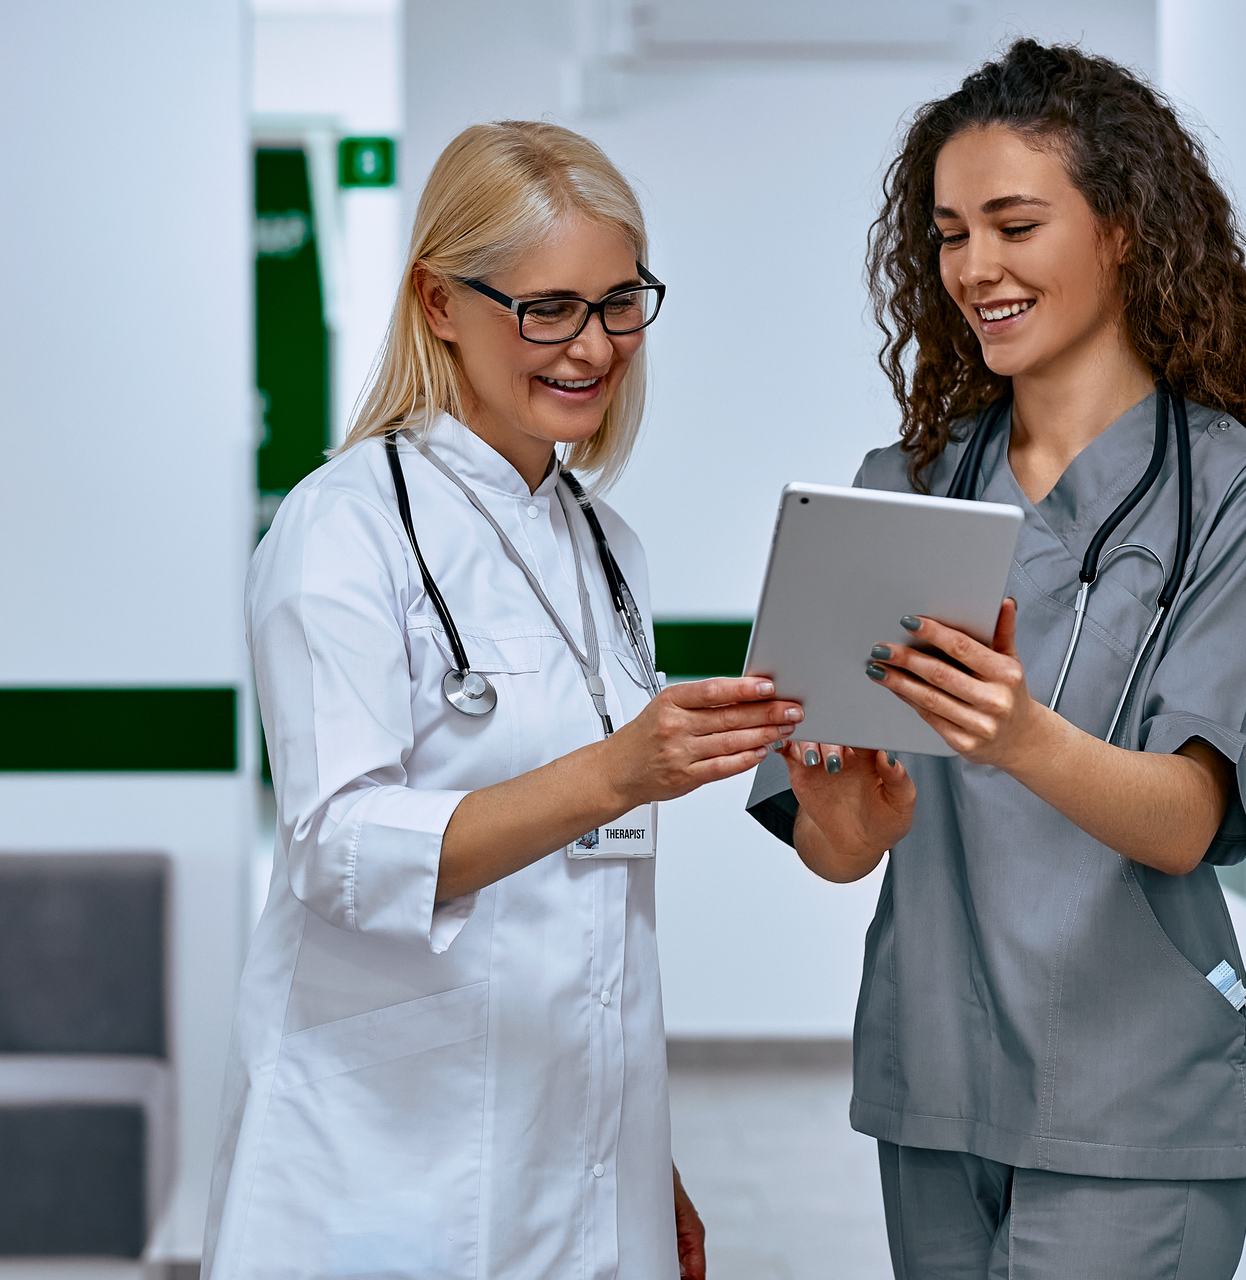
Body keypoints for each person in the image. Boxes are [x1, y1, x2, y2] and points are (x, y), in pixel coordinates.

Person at [747, 40, 1246, 1280]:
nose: (974, 269)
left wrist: (1019, 738)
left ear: (1122, 229)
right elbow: (834, 843)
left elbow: (1190, 818)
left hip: (1134, 1101)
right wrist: (847, 817)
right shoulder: (892, 491)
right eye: (951, 233)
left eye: (1014, 223)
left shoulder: (1238, 494)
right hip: (935, 1091)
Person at [204, 120, 802, 1280]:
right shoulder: (343, 530)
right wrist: (616, 772)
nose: (592, 346)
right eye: (548, 308)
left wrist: (643, 1152)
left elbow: (595, 926)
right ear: (439, 304)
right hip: (387, 1157)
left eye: (620, 303)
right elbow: (336, 847)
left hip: (578, 1155)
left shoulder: (601, 541)